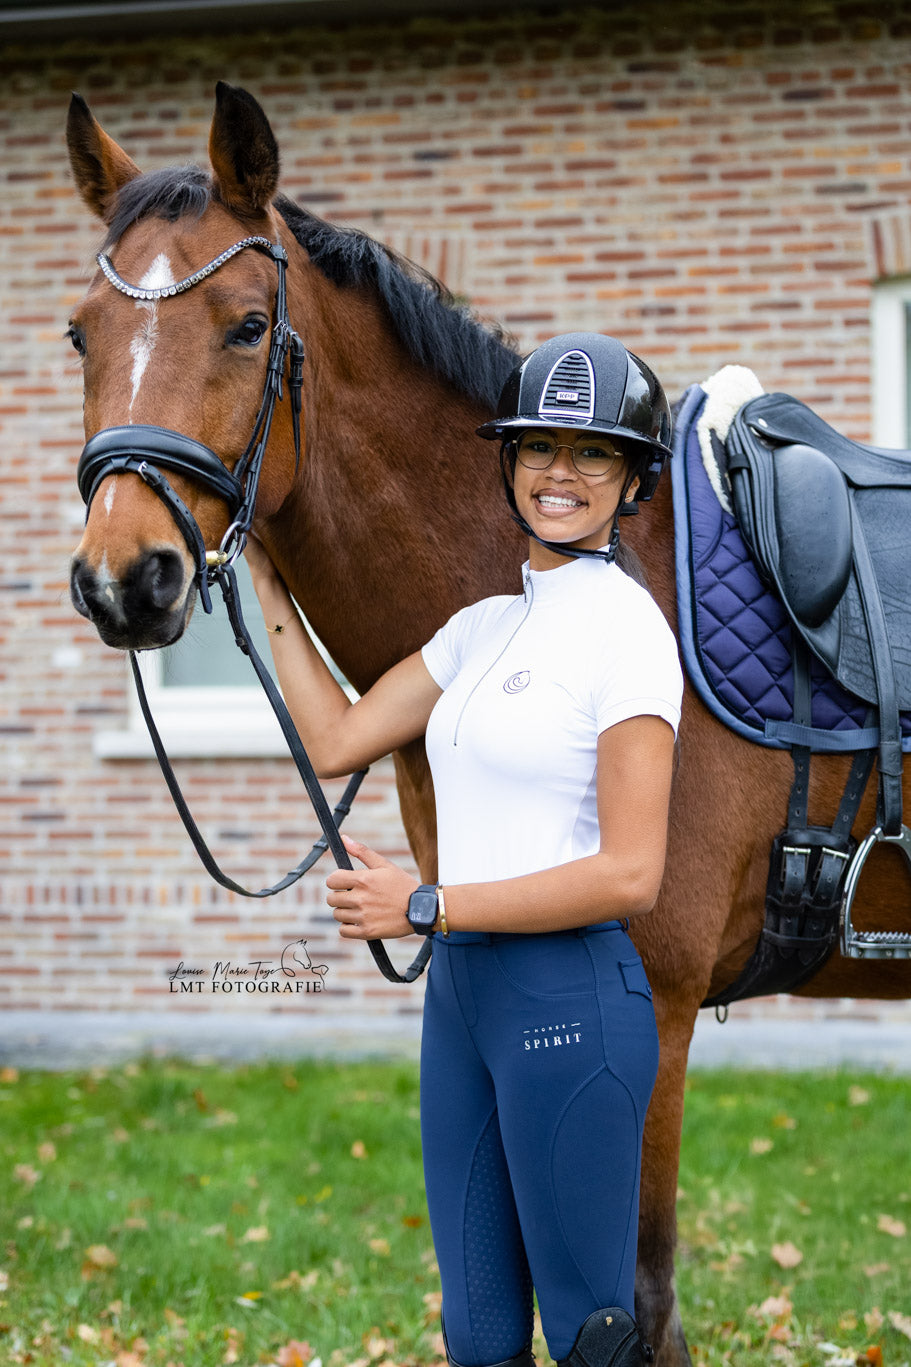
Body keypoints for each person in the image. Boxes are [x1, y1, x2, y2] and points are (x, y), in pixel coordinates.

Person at [244, 333, 683, 1367]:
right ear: (508, 462)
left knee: (592, 1335)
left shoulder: (627, 632)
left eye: (592, 452)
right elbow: (337, 737)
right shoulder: (478, 630)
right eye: (539, 447)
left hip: (569, 1001)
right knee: (477, 1335)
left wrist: (428, 903)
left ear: (631, 481)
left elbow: (632, 872)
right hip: (463, 1005)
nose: (559, 473)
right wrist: (261, 577)